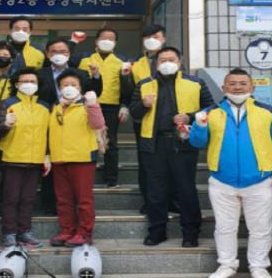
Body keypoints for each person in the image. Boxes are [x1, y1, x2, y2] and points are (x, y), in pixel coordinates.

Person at [189, 68, 272, 278]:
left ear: (252, 87)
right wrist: (199, 126)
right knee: (224, 227)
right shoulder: (211, 112)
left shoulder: (267, 112)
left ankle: (259, 268)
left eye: (243, 83)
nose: (237, 87)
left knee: (261, 228)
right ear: (224, 87)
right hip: (221, 180)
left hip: (259, 180)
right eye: (232, 83)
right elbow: (197, 143)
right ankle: (226, 265)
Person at [129, 46, 214, 247]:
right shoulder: (144, 84)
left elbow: (211, 109)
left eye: (171, 59)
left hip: (183, 141)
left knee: (186, 188)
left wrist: (190, 117)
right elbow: (134, 113)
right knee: (155, 190)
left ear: (180, 62)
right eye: (162, 60)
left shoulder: (196, 83)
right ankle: (157, 231)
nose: (167, 63)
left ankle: (190, 233)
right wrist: (143, 105)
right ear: (156, 63)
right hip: (153, 143)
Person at [37, 37, 104, 214]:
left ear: (69, 53)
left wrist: (96, 76)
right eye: (54, 51)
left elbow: (93, 93)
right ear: (47, 54)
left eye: (63, 51)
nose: (58, 54)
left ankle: (76, 212)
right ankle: (49, 206)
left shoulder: (80, 73)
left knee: (78, 184)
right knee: (51, 167)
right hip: (51, 121)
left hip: (77, 125)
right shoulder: (40, 74)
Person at [0, 67, 51, 247]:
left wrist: (47, 155)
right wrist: (6, 125)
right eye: (25, 81)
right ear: (16, 84)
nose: (29, 84)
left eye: (32, 81)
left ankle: (25, 232)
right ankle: (9, 233)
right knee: (11, 199)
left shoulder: (45, 107)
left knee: (28, 199)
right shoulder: (7, 104)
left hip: (35, 160)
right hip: (12, 159)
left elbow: (49, 134)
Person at [48, 69, 105, 247]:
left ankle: (85, 233)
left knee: (83, 199)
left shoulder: (87, 105)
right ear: (59, 88)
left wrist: (93, 105)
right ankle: (67, 230)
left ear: (80, 88)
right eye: (65, 85)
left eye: (73, 84)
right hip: (59, 158)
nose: (69, 87)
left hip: (82, 158)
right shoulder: (55, 107)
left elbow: (98, 124)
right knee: (63, 199)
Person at [122, 24, 169, 215]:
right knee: (146, 163)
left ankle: (170, 200)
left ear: (164, 39)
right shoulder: (135, 64)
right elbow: (128, 92)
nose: (152, 40)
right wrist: (125, 78)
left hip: (167, 119)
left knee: (168, 162)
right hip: (143, 118)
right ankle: (149, 200)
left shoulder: (172, 60)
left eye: (156, 36)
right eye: (148, 37)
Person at [78, 28, 131, 188]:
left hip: (111, 106)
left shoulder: (122, 61)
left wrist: (124, 105)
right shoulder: (84, 59)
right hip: (87, 105)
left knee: (110, 142)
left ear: (115, 43)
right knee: (84, 139)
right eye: (103, 38)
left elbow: (126, 86)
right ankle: (85, 176)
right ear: (96, 41)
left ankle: (111, 178)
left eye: (111, 39)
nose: (107, 41)